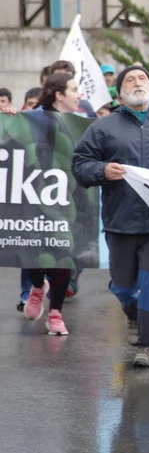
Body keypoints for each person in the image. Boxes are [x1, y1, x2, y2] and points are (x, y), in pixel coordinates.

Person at [72, 65, 149, 367]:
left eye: (143, 78)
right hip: (121, 222)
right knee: (123, 286)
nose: (138, 83)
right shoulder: (103, 127)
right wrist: (102, 170)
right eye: (130, 79)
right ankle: (135, 314)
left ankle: (148, 345)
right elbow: (80, 165)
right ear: (120, 92)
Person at [17, 71, 87, 336]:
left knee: (63, 255)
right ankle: (37, 286)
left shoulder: (81, 122)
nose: (80, 94)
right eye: (74, 89)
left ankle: (55, 312)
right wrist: (8, 116)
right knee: (34, 252)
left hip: (67, 199)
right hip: (33, 197)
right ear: (59, 95)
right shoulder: (32, 118)